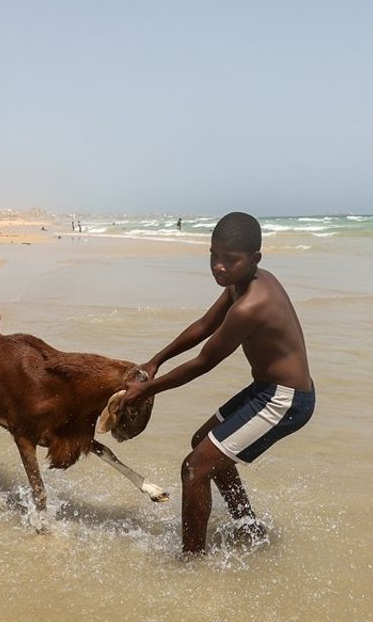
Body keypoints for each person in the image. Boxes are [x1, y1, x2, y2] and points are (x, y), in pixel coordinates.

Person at [120, 212, 315, 556]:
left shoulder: (253, 304)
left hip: (286, 400)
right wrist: (155, 361)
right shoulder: (240, 285)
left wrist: (147, 390)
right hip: (266, 390)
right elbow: (204, 325)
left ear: (255, 259)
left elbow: (205, 362)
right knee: (202, 445)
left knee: (194, 467)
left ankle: (191, 560)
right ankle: (248, 525)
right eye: (213, 256)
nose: (219, 267)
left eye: (230, 260)